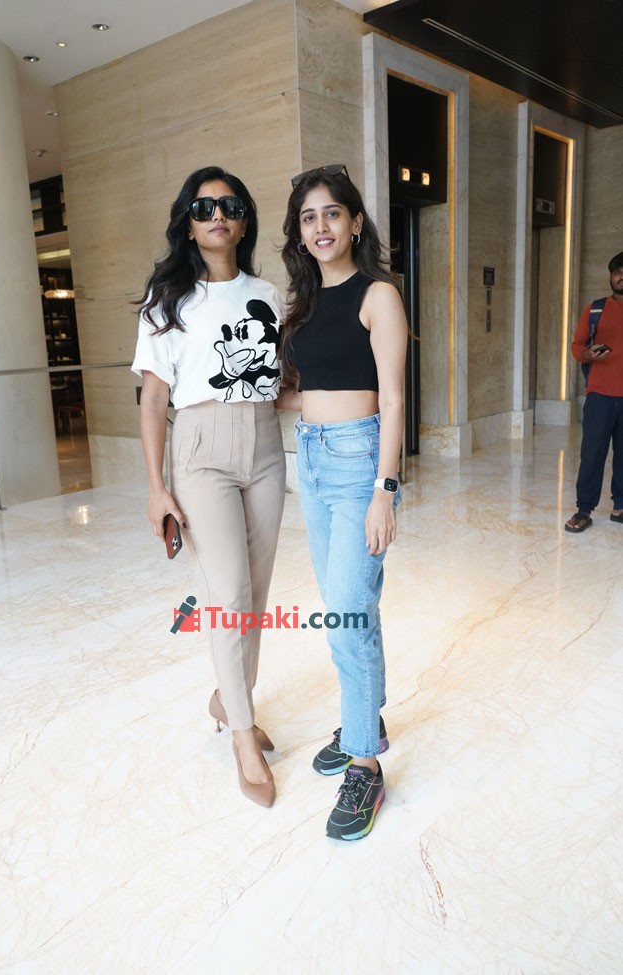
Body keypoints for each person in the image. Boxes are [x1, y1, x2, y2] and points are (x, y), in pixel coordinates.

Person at [132, 165, 286, 807]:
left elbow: (281, 381)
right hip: (200, 450)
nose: (217, 215)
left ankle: (230, 698)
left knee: (257, 589)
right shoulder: (168, 300)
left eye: (229, 205)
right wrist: (156, 486)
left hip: (267, 445)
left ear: (244, 220)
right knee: (227, 593)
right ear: (188, 225)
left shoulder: (270, 294)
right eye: (202, 208)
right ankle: (243, 735)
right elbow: (153, 399)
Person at [277, 163, 408, 839]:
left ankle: (365, 764)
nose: (321, 226)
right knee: (346, 609)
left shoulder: (377, 294)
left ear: (356, 221)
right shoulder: (302, 303)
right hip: (311, 459)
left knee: (348, 620)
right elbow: (311, 386)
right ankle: (365, 721)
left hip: (360, 465)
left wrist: (385, 489)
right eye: (309, 217)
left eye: (332, 213)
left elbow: (394, 398)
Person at [565, 251, 623, 533]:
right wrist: (588, 354)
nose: (621, 277)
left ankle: (620, 505)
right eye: (617, 272)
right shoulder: (595, 310)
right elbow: (577, 346)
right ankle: (584, 509)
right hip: (600, 394)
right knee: (592, 454)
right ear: (611, 276)